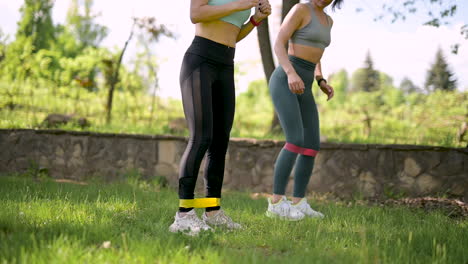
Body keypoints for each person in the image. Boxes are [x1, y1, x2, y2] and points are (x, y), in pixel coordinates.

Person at [169, 0, 272, 235]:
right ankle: (183, 214)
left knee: (219, 142)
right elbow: (196, 14)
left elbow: (233, 35)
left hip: (226, 64)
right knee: (200, 138)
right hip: (200, 60)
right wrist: (240, 5)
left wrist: (255, 20)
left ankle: (212, 212)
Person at [265, 0, 343, 221]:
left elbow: (317, 54)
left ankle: (299, 202)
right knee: (295, 139)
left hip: (305, 84)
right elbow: (279, 43)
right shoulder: (300, 9)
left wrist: (320, 80)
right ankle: (276, 203)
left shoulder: (328, 21)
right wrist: (290, 73)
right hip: (285, 80)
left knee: (311, 145)